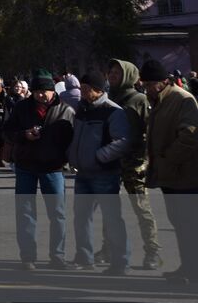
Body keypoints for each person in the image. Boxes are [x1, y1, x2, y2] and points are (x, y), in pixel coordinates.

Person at [3, 72, 75, 270]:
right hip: (26, 165)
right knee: (25, 213)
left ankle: (57, 256)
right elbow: (7, 131)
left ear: (53, 91)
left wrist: (67, 158)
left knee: (58, 214)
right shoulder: (22, 108)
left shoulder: (65, 110)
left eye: (45, 91)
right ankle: (28, 257)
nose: (42, 95)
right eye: (37, 92)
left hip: (53, 167)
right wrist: (23, 135)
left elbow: (72, 138)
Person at [142, 59, 198, 286]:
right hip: (171, 177)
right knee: (180, 226)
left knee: (190, 227)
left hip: (185, 176)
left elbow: (190, 136)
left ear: (163, 82)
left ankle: (193, 272)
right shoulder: (158, 100)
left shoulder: (182, 100)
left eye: (149, 84)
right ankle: (188, 268)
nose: (146, 88)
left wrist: (168, 158)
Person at [67, 72, 129, 272]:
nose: (83, 93)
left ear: (99, 90)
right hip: (83, 174)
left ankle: (120, 261)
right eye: (82, 89)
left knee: (112, 218)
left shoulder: (113, 112)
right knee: (81, 217)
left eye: (87, 90)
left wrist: (99, 156)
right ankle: (84, 257)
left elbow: (122, 142)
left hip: (105, 174)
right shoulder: (82, 110)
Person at [103, 58, 161, 270]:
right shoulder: (109, 97)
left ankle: (152, 251)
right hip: (112, 160)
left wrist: (145, 158)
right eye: (110, 72)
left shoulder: (138, 99)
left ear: (128, 75)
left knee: (141, 209)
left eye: (117, 72)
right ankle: (108, 248)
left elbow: (149, 130)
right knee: (109, 208)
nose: (112, 76)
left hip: (134, 163)